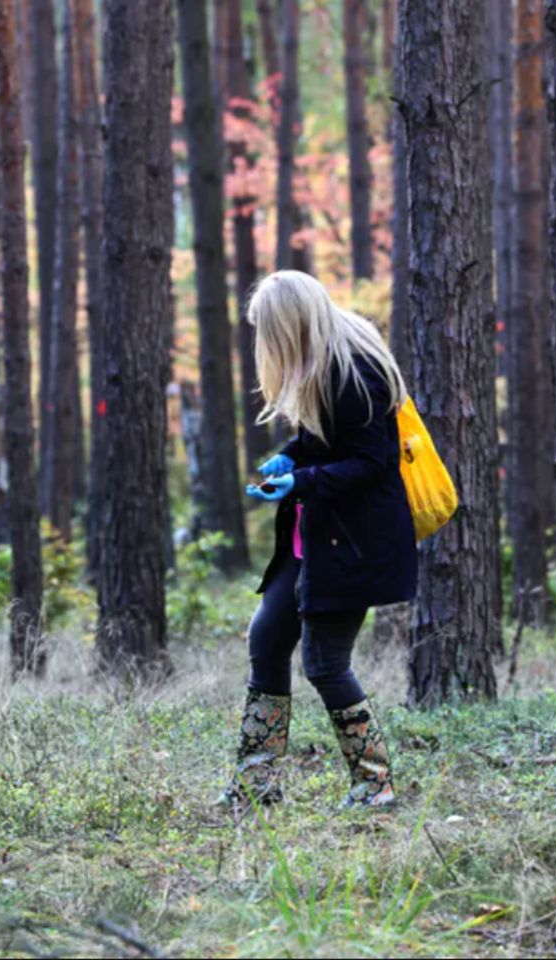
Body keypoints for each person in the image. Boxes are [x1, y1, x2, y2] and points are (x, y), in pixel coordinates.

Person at [217, 270, 417, 809]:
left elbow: (373, 462)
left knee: (326, 664)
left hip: (352, 546)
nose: (266, 341)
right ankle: (256, 787)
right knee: (266, 640)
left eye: (269, 329)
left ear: (292, 324)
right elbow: (326, 439)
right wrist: (291, 455)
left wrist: (301, 480)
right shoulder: (321, 359)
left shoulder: (356, 370)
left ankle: (375, 788)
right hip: (314, 540)